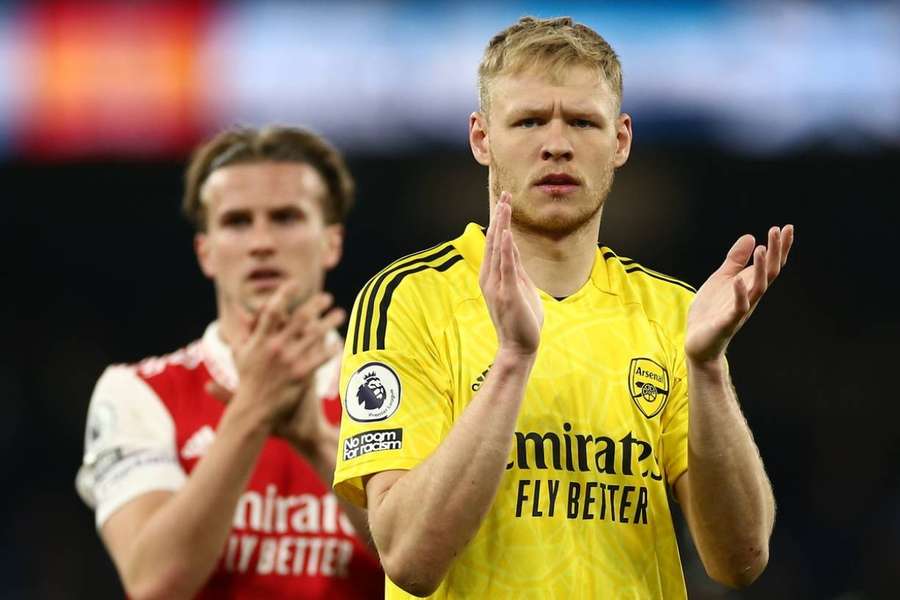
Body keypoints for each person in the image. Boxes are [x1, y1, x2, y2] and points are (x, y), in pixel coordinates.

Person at [333, 16, 794, 599]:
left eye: (582, 121)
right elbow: (408, 558)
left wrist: (707, 368)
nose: (556, 143)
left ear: (620, 140)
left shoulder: (671, 312)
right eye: (528, 121)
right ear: (482, 138)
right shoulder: (410, 298)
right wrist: (513, 360)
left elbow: (740, 560)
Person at [76, 126, 383, 599]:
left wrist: (319, 444)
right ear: (206, 251)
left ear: (332, 242)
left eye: (286, 217)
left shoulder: (398, 386)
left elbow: (434, 570)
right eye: (237, 222)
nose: (261, 242)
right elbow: (154, 584)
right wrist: (252, 411)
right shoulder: (139, 393)